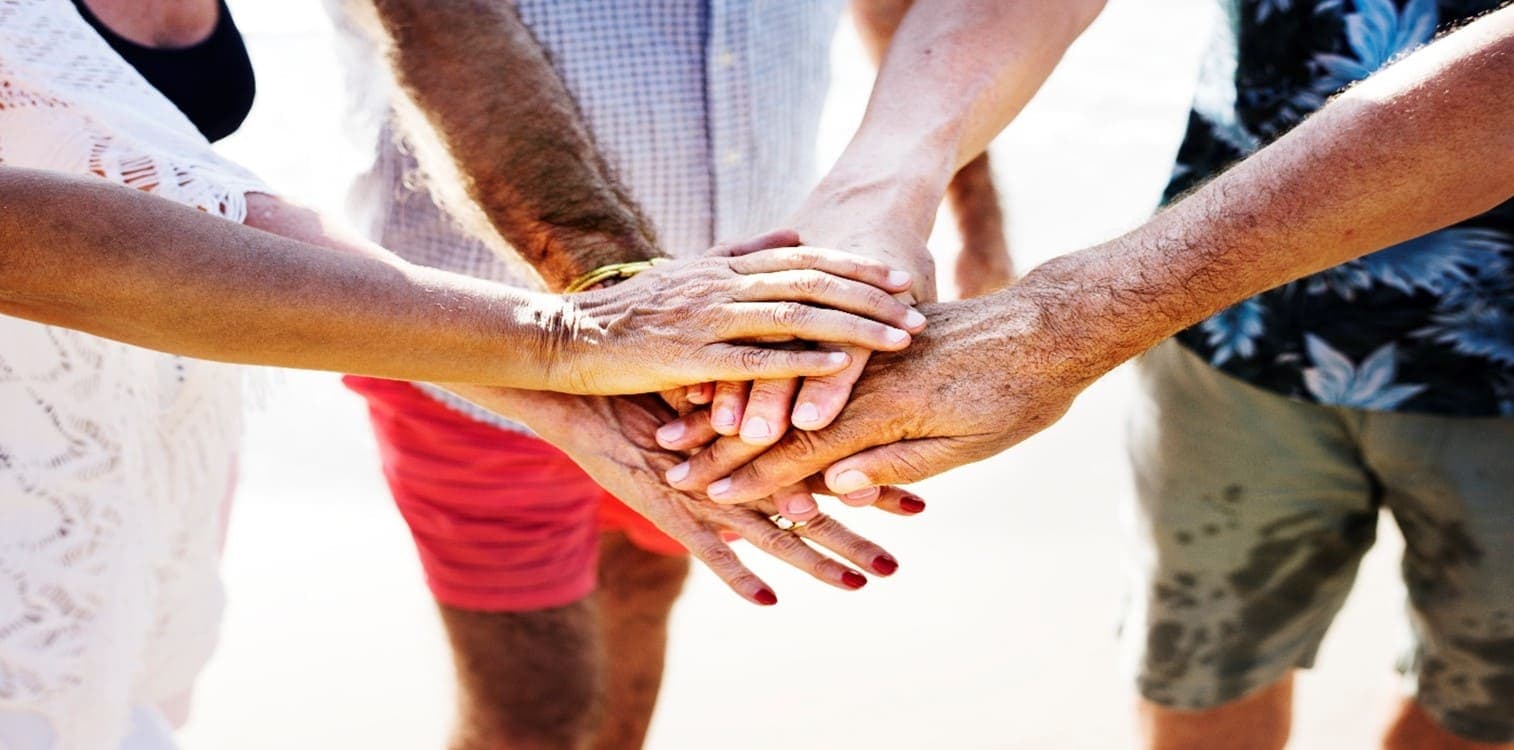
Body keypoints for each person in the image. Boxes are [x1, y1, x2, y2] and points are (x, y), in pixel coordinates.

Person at [0, 1, 919, 747]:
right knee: (538, 708)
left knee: (120, 694)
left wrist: (562, 370)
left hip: (136, 445)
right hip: (27, 470)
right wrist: (563, 335)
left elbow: (196, 202)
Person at [668, 4, 1514, 747]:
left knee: (1487, 706)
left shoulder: (1097, 309)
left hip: (1480, 353)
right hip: (1225, 323)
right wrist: (879, 187)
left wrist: (1066, 321)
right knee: (1196, 671)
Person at [327, 1, 1034, 748]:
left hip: (732, 362)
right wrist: (610, 296)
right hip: (478, 343)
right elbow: (439, 19)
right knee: (538, 714)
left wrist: (972, 223)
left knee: (641, 601)